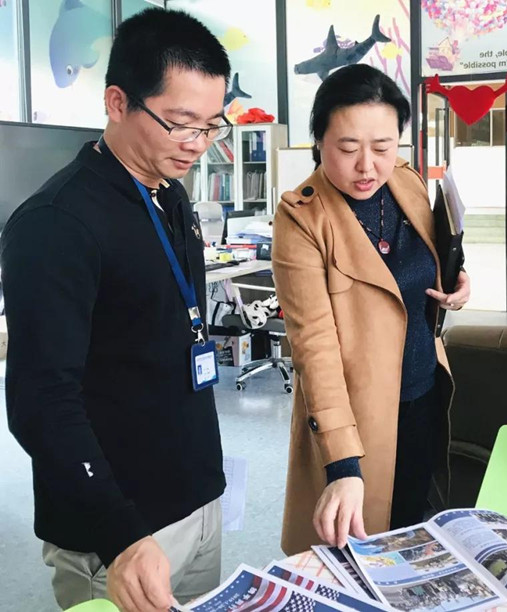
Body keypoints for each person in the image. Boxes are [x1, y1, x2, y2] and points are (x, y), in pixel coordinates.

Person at [1, 9, 232, 610]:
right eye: (180, 123)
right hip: (119, 532)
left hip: (195, 499)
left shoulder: (170, 194)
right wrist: (120, 533)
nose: (198, 144)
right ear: (117, 102)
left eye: (211, 126)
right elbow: (40, 401)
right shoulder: (56, 223)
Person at [272, 64, 471, 555]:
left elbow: (424, 263)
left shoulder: (406, 182)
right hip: (357, 420)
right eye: (347, 148)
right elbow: (314, 348)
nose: (367, 167)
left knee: (413, 534)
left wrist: (454, 280)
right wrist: (342, 465)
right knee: (359, 553)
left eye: (382, 147)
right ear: (319, 141)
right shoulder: (301, 219)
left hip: (423, 393)